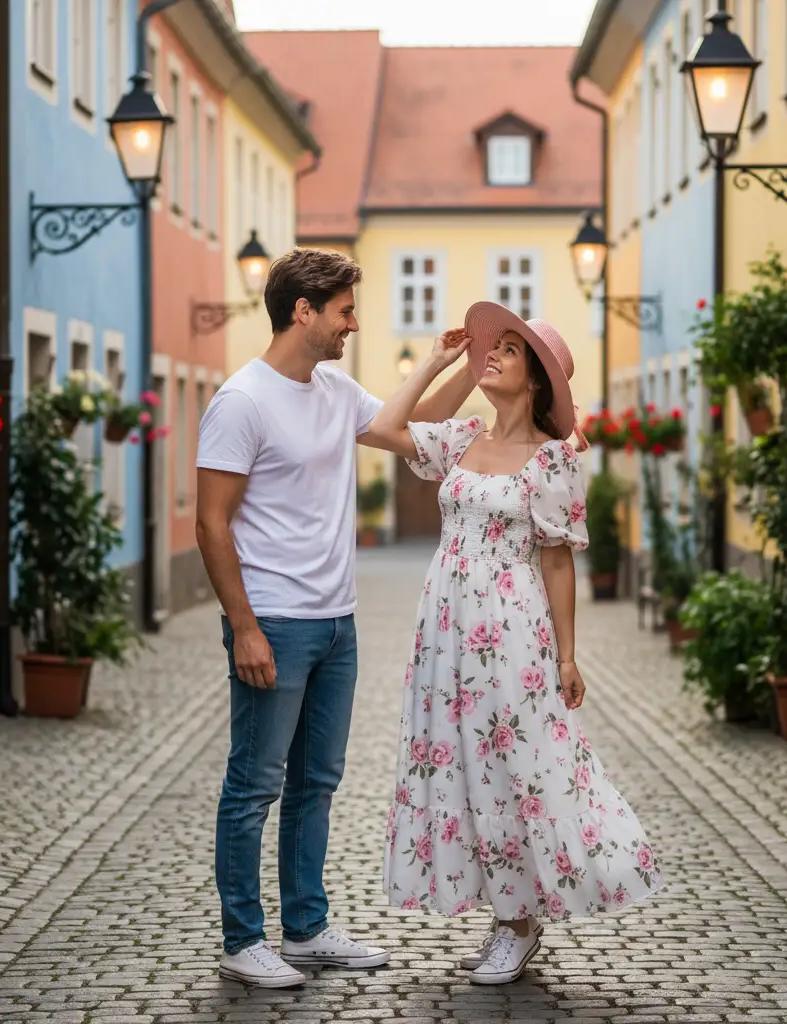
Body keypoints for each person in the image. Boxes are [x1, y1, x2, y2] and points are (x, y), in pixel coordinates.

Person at [195, 247, 474, 988]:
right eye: (345, 312)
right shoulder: (242, 400)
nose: (354, 325)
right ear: (304, 311)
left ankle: (308, 927)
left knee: (318, 780)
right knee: (255, 782)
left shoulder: (331, 387)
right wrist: (245, 626)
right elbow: (212, 524)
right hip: (275, 622)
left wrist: (461, 367)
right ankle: (241, 938)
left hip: (336, 622)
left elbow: (409, 432)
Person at [365, 301, 664, 986]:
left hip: (512, 631)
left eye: (510, 350)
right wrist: (443, 364)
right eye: (491, 347)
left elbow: (558, 560)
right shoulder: (462, 438)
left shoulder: (552, 459)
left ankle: (523, 923)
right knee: (464, 770)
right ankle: (506, 913)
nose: (492, 355)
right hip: (445, 632)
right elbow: (383, 429)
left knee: (519, 768)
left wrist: (565, 654)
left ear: (536, 379)